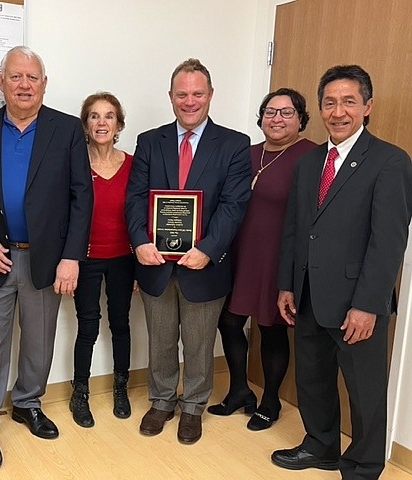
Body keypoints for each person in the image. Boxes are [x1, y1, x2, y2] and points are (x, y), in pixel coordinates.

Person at [271, 65, 412, 479]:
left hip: (358, 301)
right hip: (310, 293)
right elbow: (295, 229)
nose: (338, 111)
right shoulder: (310, 160)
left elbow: (389, 244)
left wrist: (368, 305)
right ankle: (321, 446)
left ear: (367, 107)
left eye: (349, 101)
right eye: (330, 102)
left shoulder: (390, 161)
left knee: (364, 391)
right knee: (313, 377)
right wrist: (286, 285)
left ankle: (365, 465)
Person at [0, 45, 93, 470]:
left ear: (44, 84)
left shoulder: (67, 129)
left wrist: (72, 257)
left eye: (32, 78)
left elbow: (82, 197)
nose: (24, 85)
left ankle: (27, 403)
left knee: (39, 345)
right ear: (1, 82)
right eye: (15, 77)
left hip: (47, 259)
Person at [125, 58, 251, 445]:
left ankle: (194, 406)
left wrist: (209, 249)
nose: (190, 101)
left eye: (198, 93)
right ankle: (162, 401)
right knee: (160, 339)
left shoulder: (234, 144)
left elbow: (234, 205)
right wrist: (140, 240)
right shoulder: (150, 140)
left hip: (204, 266)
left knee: (198, 343)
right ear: (171, 97)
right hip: (155, 264)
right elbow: (136, 198)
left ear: (211, 95)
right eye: (182, 94)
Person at [207, 88, 317, 430]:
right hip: (238, 251)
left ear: (301, 119)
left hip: (278, 257)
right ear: (261, 117)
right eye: (271, 112)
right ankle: (240, 389)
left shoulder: (311, 156)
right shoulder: (246, 152)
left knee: (271, 328)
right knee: (228, 322)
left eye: (287, 112)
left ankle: (270, 400)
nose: (277, 119)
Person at [69, 92, 135, 428]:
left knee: (121, 324)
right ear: (86, 124)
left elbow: (142, 216)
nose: (101, 122)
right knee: (88, 325)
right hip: (87, 259)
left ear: (119, 124)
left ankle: (121, 386)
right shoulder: (75, 163)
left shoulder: (135, 164)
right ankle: (80, 392)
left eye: (109, 116)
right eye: (94, 116)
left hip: (124, 258)